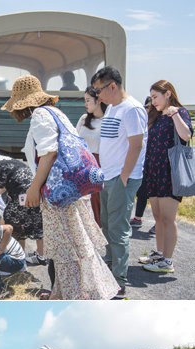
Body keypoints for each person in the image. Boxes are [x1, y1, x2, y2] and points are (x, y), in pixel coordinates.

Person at [1, 74, 119, 300]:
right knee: (75, 247)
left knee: (64, 252)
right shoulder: (56, 113)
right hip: (70, 190)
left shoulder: (40, 115)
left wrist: (34, 189)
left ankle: (72, 296)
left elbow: (49, 152)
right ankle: (67, 293)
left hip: (57, 194)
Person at [92, 66, 148, 298]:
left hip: (120, 178)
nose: (98, 96)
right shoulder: (114, 108)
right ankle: (110, 266)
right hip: (109, 175)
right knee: (107, 223)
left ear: (112, 86)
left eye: (99, 91)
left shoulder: (132, 109)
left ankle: (118, 281)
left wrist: (124, 175)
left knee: (118, 228)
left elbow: (137, 145)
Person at [139, 80, 193, 274]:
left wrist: (175, 115)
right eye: (151, 97)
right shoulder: (155, 115)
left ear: (168, 93)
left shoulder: (180, 112)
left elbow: (186, 136)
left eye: (155, 97)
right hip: (153, 172)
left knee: (168, 218)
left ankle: (167, 261)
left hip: (170, 172)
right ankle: (160, 253)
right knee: (158, 217)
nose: (153, 101)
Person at [76, 86, 108, 227]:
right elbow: (75, 140)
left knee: (97, 203)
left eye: (88, 100)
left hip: (100, 164)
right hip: (82, 164)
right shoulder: (83, 119)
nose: (86, 104)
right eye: (85, 100)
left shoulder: (108, 120)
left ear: (99, 100)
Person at [130, 97, 154, 231]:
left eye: (150, 106)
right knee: (142, 191)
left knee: (153, 194)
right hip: (143, 161)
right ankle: (138, 217)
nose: (147, 109)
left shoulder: (157, 121)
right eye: (146, 106)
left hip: (155, 162)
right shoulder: (143, 120)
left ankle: (157, 223)